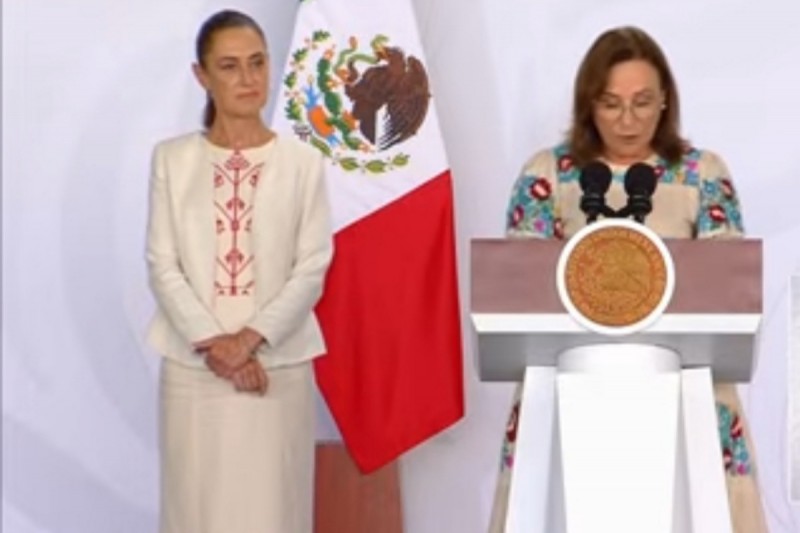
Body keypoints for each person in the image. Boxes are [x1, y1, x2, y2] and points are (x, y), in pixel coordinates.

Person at [489, 26, 766, 533]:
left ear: (665, 101)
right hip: (571, 385)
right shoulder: (549, 174)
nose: (628, 120)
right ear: (588, 104)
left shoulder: (701, 173)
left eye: (642, 102)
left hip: (685, 385)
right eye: (611, 104)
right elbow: (519, 288)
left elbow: (725, 286)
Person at [145, 9, 333, 533]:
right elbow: (163, 264)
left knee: (271, 511)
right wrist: (218, 348)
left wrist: (248, 341)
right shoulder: (171, 160)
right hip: (192, 372)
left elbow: (312, 267)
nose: (248, 79)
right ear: (202, 76)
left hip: (277, 369)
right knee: (196, 511)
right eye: (229, 67)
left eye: (257, 63)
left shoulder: (302, 163)